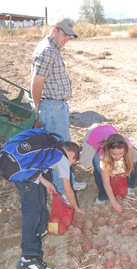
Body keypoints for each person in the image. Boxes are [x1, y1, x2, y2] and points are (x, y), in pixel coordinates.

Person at [1, 131, 85, 269]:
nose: (71, 166)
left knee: (39, 193)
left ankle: (40, 229)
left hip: (7, 158)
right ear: (71, 155)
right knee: (31, 210)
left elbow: (32, 161)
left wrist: (46, 182)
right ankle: (29, 256)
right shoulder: (63, 158)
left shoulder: (50, 146)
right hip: (18, 169)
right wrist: (76, 208)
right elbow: (68, 190)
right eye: (73, 163)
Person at [31, 16, 86, 199]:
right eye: (65, 34)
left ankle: (68, 182)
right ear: (54, 30)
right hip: (52, 108)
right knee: (60, 153)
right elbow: (36, 83)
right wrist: (37, 113)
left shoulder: (53, 49)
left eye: (70, 36)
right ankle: (62, 193)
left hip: (57, 107)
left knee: (65, 148)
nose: (67, 39)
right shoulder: (47, 50)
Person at [79, 124, 137, 213]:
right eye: (114, 154)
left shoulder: (126, 142)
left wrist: (127, 165)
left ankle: (130, 185)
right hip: (94, 134)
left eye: (120, 153)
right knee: (99, 169)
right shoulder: (103, 155)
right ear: (108, 152)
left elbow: (130, 152)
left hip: (109, 129)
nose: (118, 157)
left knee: (136, 156)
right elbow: (106, 181)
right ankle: (102, 196)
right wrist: (114, 203)